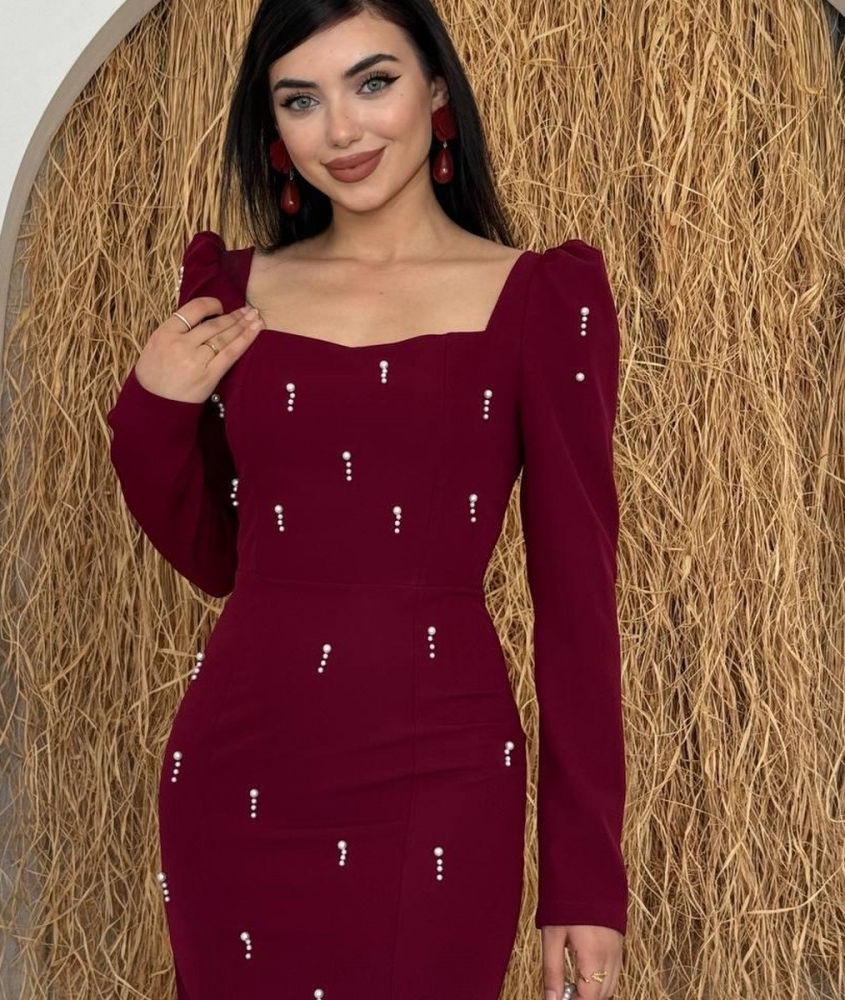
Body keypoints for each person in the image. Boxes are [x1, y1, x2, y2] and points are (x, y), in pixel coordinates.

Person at [105, 1, 627, 998]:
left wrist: (586, 879)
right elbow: (219, 559)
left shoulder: (540, 299)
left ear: (436, 89)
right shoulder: (232, 291)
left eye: (372, 82)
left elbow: (577, 603)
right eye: (300, 100)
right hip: (241, 771)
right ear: (272, 129)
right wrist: (154, 409)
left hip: (442, 773)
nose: (340, 130)